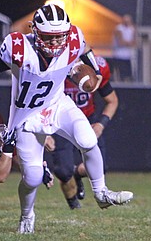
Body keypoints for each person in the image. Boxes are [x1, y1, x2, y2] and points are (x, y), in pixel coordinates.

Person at [0, 3, 133, 233]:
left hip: (57, 104)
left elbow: (85, 47)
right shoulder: (19, 47)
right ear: (36, 32)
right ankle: (27, 215)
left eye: (60, 37)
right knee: (32, 177)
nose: (55, 43)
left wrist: (94, 70)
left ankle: (101, 193)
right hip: (26, 116)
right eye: (49, 37)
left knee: (88, 140)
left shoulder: (73, 39)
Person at [44, 55, 119, 209]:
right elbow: (39, 102)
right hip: (60, 121)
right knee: (63, 172)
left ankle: (77, 174)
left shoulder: (96, 67)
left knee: (100, 168)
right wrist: (44, 130)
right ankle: (74, 206)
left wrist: (101, 124)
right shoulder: (53, 68)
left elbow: (112, 100)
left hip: (87, 119)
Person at [112, 14, 137, 81]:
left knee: (129, 75)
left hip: (128, 56)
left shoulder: (132, 28)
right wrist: (129, 43)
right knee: (121, 75)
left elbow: (134, 43)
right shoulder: (118, 28)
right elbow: (121, 43)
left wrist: (126, 43)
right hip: (119, 56)